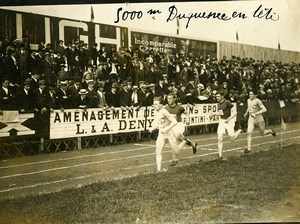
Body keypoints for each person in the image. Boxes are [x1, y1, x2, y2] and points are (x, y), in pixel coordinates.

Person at [149, 96, 181, 172]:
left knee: (176, 152)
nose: (155, 106)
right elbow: (158, 123)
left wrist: (167, 128)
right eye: (154, 104)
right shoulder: (156, 112)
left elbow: (174, 121)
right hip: (161, 133)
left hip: (169, 133)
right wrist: (152, 128)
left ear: (161, 105)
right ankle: (158, 169)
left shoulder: (164, 112)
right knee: (158, 151)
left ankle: (184, 141)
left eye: (156, 104)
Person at [210, 91, 244, 160]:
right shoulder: (218, 104)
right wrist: (213, 114)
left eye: (219, 96)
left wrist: (229, 119)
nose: (217, 98)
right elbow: (221, 113)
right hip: (222, 121)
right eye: (216, 97)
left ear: (222, 96)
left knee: (232, 138)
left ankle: (240, 129)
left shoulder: (227, 102)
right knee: (219, 138)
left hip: (229, 122)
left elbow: (235, 112)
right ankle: (220, 155)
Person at [165, 93, 197, 161]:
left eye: (170, 98)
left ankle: (174, 159)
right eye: (168, 99)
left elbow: (187, 113)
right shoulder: (166, 108)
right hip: (171, 126)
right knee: (181, 139)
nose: (169, 100)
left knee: (174, 140)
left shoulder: (179, 107)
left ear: (174, 99)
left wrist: (188, 119)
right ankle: (192, 143)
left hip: (178, 125)